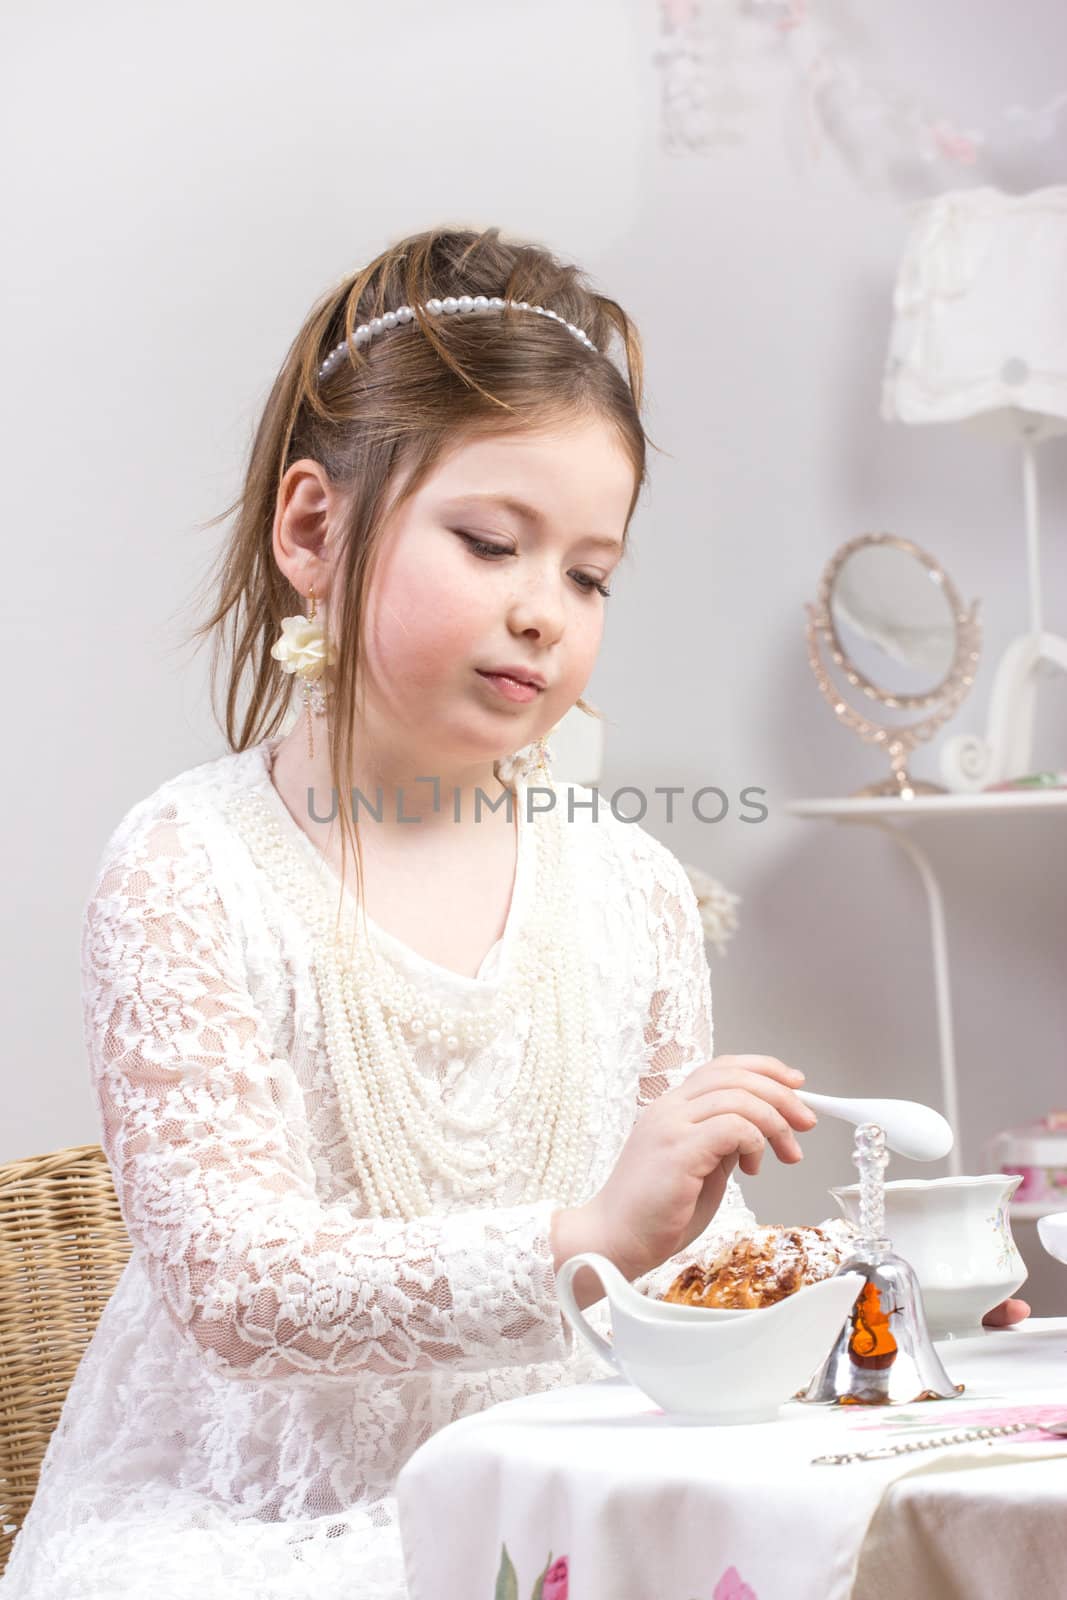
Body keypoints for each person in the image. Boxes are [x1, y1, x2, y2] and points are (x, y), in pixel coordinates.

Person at [1, 226, 1027, 1599]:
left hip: (571, 1494)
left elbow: (671, 1254)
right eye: (492, 543)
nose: (545, 611)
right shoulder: (189, 866)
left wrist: (849, 1290)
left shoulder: (635, 892)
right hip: (263, 1534)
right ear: (312, 529)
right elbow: (236, 1289)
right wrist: (591, 1234)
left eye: (589, 574)